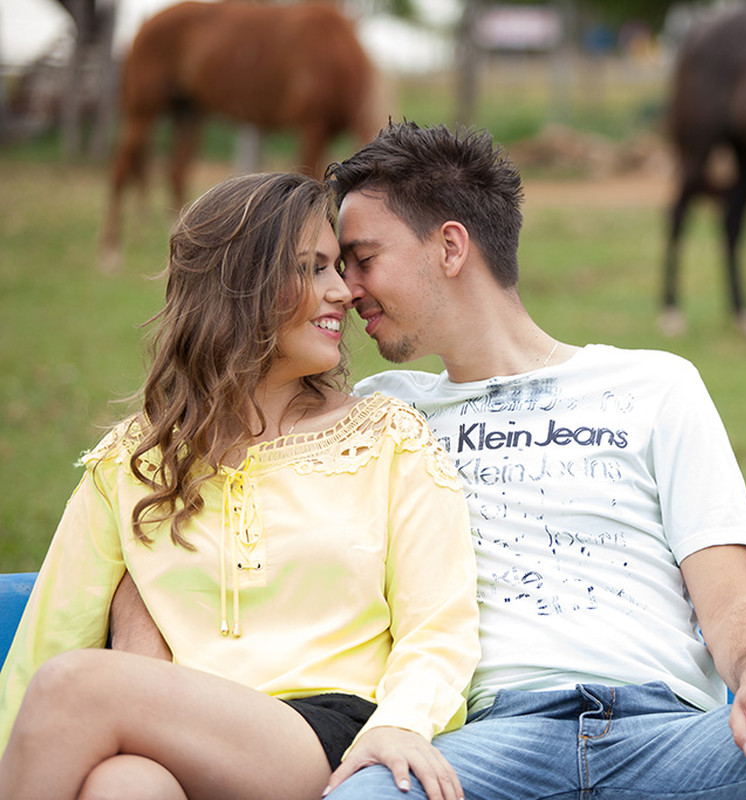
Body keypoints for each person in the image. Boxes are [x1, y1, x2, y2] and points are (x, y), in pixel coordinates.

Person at [316, 121, 746, 799]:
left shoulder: (655, 386)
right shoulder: (383, 411)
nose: (345, 289)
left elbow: (729, 598)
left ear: (451, 246)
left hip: (665, 735)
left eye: (361, 259)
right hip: (488, 742)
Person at [0, 172, 480, 800]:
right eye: (312, 269)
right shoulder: (134, 460)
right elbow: (50, 635)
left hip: (328, 735)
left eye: (337, 267)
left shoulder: (389, 438)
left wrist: (403, 723)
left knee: (74, 685)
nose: (342, 292)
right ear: (240, 288)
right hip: (180, 740)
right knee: (125, 784)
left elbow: (440, 623)